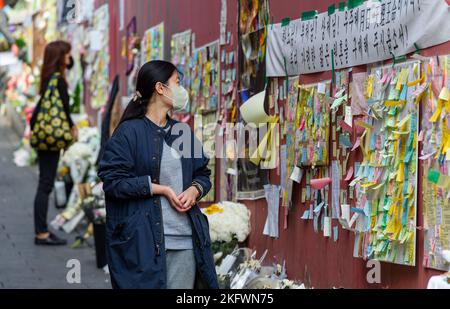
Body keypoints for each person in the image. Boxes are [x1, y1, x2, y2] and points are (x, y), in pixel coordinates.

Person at [98, 60, 218, 289]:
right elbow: (112, 182)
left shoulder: (181, 131)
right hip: (142, 244)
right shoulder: (128, 132)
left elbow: (203, 173)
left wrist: (195, 190)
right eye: (178, 83)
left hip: (184, 242)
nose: (182, 90)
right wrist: (158, 188)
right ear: (160, 88)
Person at [30, 41, 78, 246]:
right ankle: (41, 233)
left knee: (44, 182)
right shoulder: (58, 81)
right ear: (60, 57)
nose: (69, 58)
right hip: (52, 139)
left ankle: (41, 230)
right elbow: (65, 110)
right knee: (45, 184)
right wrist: (71, 127)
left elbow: (37, 113)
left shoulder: (47, 79)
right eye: (67, 54)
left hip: (43, 137)